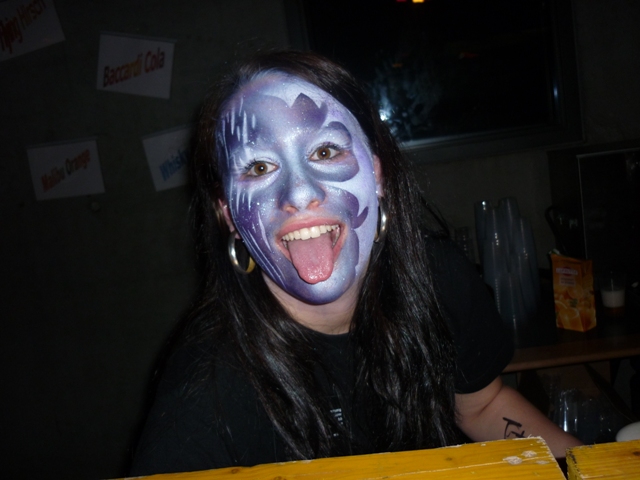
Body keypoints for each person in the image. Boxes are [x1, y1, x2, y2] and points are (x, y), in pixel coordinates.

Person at [130, 50, 580, 475]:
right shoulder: (206, 385)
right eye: (259, 168)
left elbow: (482, 406)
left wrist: (590, 468)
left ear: (377, 173)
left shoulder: (436, 276)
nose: (299, 194)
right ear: (228, 213)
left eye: (325, 152)